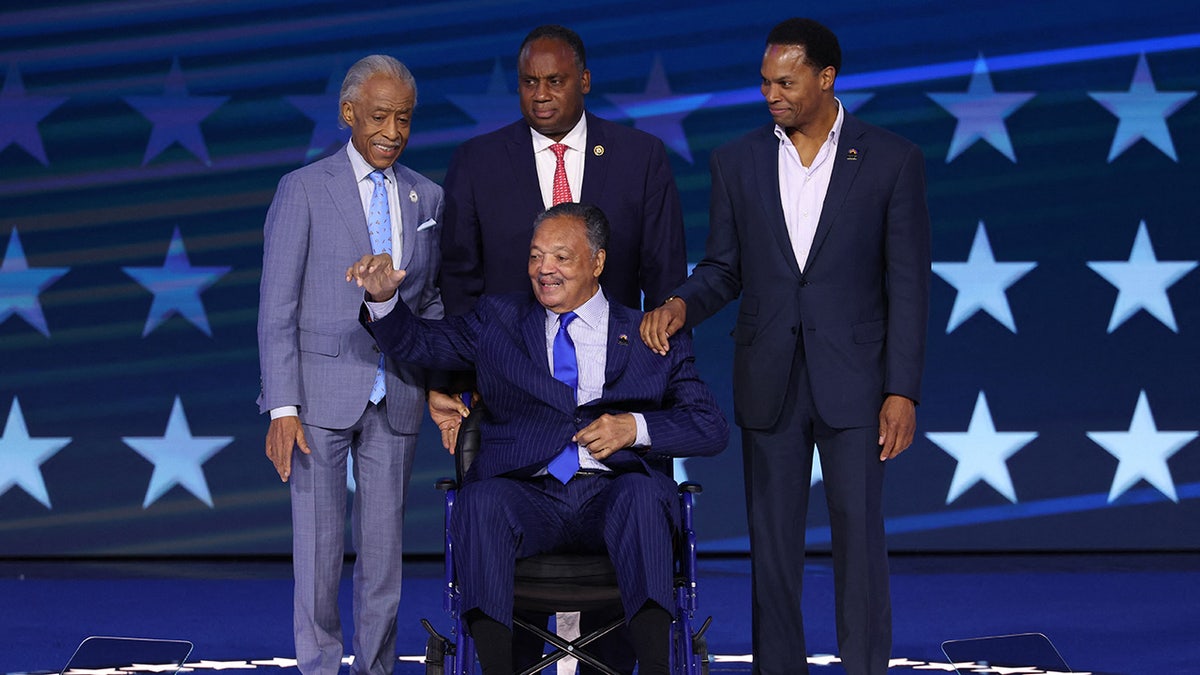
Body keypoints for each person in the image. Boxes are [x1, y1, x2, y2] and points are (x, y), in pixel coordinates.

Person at [640, 18, 931, 675]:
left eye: (786, 81)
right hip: (768, 378)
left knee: (859, 540)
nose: (771, 93)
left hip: (857, 381)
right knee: (772, 550)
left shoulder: (890, 159)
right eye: (765, 81)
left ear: (826, 79)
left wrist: (902, 388)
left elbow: (908, 286)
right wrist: (683, 303)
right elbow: (723, 268)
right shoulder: (736, 161)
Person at [348, 202, 728, 675]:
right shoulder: (498, 321)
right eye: (535, 256)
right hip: (528, 496)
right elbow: (420, 343)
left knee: (644, 494)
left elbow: (711, 427)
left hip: (615, 495)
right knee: (481, 500)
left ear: (598, 262)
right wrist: (384, 300)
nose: (543, 269)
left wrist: (636, 427)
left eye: (561, 257)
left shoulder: (649, 332)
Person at [430, 23, 689, 670]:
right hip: (513, 407)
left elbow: (665, 285)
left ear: (584, 80)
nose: (541, 95)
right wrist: (461, 384)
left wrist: (660, 392)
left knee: (626, 534)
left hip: (613, 405)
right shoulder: (479, 161)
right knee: (501, 534)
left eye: (555, 81)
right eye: (528, 83)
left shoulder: (640, 157)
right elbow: (458, 284)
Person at [257, 55, 444, 675]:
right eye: (379, 117)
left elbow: (431, 302)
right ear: (348, 115)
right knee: (317, 551)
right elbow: (277, 307)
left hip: (396, 392)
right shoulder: (304, 189)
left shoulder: (428, 195)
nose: (392, 131)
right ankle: (318, 668)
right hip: (318, 397)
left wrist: (439, 377)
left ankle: (377, 669)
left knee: (384, 555)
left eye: (404, 119)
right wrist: (283, 407)